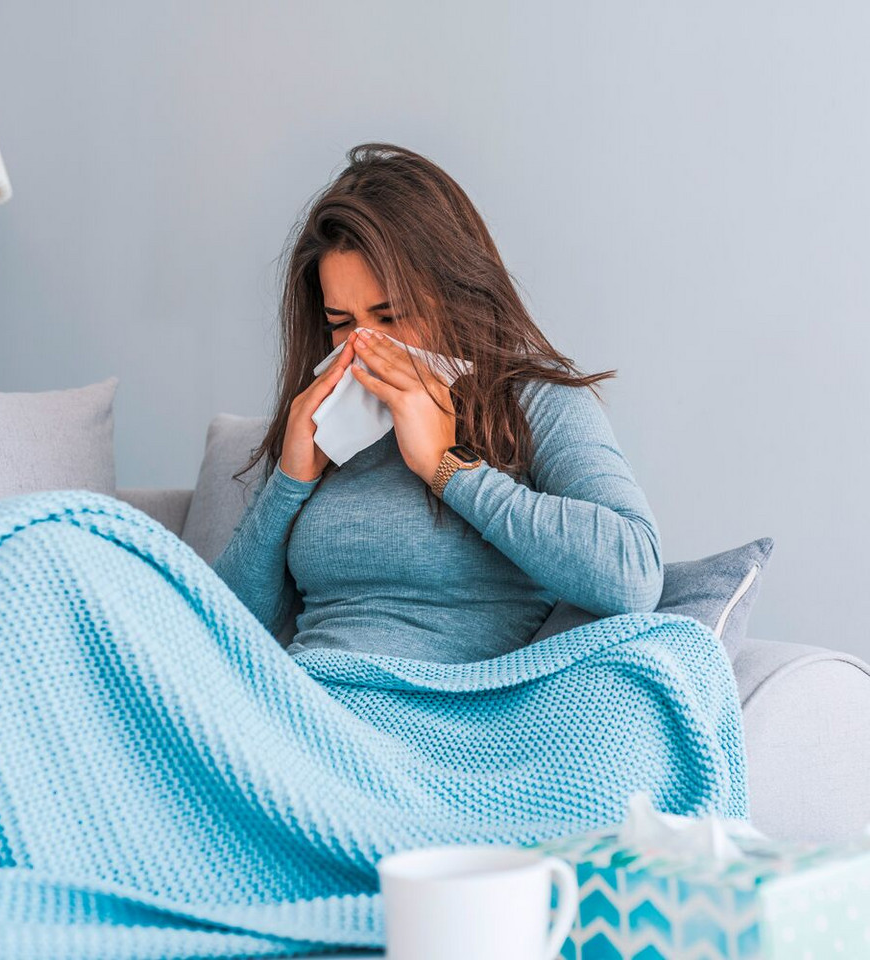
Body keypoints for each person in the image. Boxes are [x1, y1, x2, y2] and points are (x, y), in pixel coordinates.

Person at [213, 142, 664, 663]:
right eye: (341, 323)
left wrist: (447, 467)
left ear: (456, 294)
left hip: (433, 719)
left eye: (390, 316)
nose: (364, 346)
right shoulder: (325, 428)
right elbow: (219, 635)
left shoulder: (538, 404)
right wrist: (289, 483)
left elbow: (633, 574)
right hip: (300, 701)